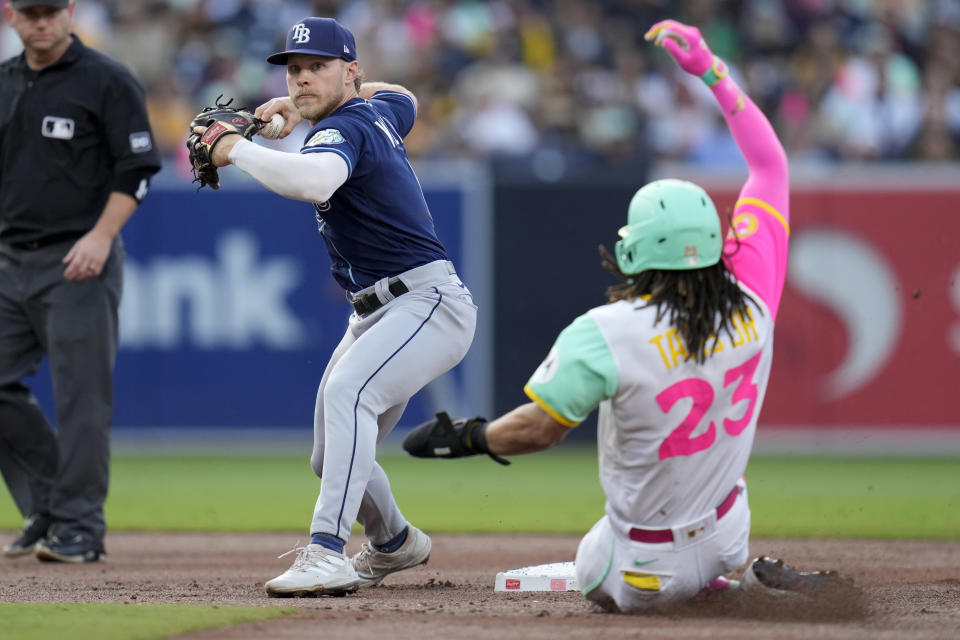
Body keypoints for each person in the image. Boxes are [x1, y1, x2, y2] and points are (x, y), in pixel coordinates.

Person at [403, 19, 802, 612]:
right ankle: (724, 579)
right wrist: (713, 72)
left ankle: (683, 586)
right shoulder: (753, 299)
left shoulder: (608, 332)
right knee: (712, 514)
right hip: (727, 535)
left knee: (594, 568)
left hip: (643, 568)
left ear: (635, 250)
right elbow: (770, 166)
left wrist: (469, 436)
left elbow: (540, 429)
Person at [188, 16, 477, 596]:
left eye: (318, 67)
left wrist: (237, 148)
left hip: (427, 301)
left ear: (350, 70)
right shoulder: (376, 111)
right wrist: (301, 105)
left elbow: (316, 183)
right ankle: (394, 541)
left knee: (351, 395)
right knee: (331, 455)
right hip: (384, 308)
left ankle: (325, 551)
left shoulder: (343, 130)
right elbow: (405, 96)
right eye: (295, 70)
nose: (301, 79)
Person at [0, 0, 161, 563]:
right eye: (29, 11)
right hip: (9, 259)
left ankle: (80, 528)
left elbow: (137, 167)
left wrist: (99, 236)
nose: (40, 21)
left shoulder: (106, 80)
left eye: (50, 10)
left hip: (78, 260)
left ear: (69, 12)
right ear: (9, 14)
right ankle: (49, 506)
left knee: (82, 400)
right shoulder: (4, 82)